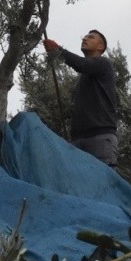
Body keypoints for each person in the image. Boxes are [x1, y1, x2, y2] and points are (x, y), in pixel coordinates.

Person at [42, 29, 118, 167]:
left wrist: (58, 50)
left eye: (91, 37)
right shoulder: (84, 77)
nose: (85, 38)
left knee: (101, 184)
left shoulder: (104, 64)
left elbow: (81, 64)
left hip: (100, 137)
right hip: (77, 140)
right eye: (85, 36)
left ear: (101, 46)